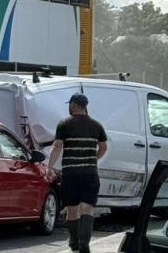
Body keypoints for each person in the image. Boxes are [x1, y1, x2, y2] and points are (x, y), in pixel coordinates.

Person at [47, 93, 108, 253]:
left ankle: (74, 242)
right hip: (90, 173)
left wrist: (49, 166)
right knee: (87, 208)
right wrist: (93, 158)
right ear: (85, 106)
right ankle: (85, 242)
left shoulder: (64, 124)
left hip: (71, 173)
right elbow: (103, 148)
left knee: (72, 208)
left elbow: (57, 146)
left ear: (73, 105)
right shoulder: (97, 125)